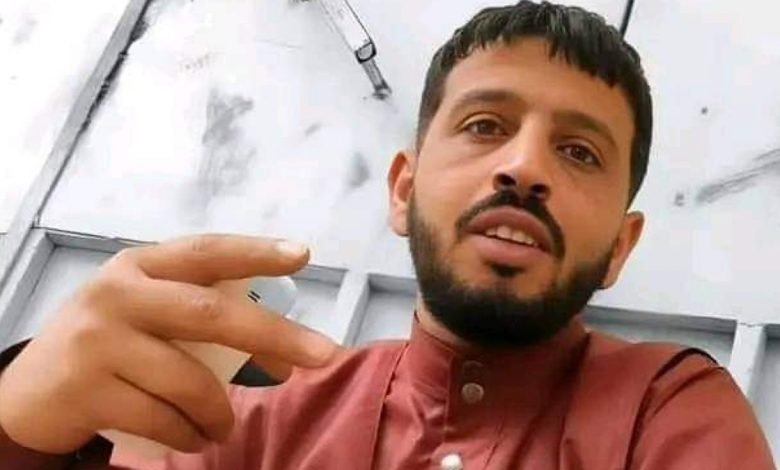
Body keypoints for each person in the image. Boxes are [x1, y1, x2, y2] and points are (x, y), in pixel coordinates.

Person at [0, 1, 774, 469]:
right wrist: (18, 432)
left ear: (620, 247)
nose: (524, 167)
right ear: (404, 190)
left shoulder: (669, 410)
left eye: (579, 152)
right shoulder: (244, 418)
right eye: (485, 125)